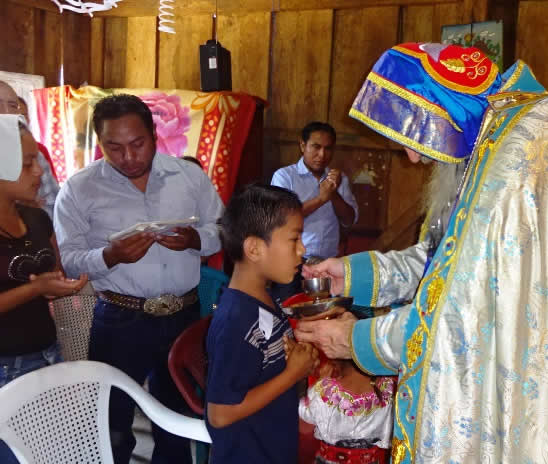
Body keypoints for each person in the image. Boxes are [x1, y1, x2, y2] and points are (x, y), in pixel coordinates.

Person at [296, 43, 548, 463]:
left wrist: (357, 340)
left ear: (448, 112)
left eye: (414, 137)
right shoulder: (495, 137)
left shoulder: (516, 165)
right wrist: (351, 275)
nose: (412, 156)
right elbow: (444, 261)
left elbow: (457, 317)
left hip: (537, 390)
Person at [53, 94, 224, 463]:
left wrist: (195, 239)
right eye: (114, 147)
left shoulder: (189, 177)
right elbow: (69, 262)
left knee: (177, 423)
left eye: (137, 144)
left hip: (182, 315)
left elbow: (222, 230)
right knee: (111, 426)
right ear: (100, 142)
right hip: (119, 319)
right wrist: (110, 256)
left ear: (154, 135)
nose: (128, 157)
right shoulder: (79, 188)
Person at [206, 183, 319, 463]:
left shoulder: (264, 299)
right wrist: (291, 374)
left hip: (274, 445)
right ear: (254, 248)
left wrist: (298, 359)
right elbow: (220, 414)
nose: (302, 249)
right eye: (294, 239)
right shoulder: (235, 322)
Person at [0, 115, 87, 463]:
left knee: (56, 452)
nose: (39, 171)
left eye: (36, 160)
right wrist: (36, 290)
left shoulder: (36, 217)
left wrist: (57, 285)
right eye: (27, 164)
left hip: (48, 352)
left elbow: (50, 272)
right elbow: (34, 286)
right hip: (5, 365)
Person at [271, 122, 358, 261]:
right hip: (292, 260)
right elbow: (282, 217)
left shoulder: (338, 179)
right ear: (303, 146)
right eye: (316, 147)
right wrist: (321, 199)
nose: (322, 155)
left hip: (328, 261)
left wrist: (333, 193)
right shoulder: (284, 176)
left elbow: (349, 220)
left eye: (328, 148)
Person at [299, 353, 395, 463]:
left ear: (336, 361)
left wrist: (320, 380)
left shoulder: (324, 390)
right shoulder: (388, 389)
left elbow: (304, 426)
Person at [0, 82, 59, 220]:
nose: (7, 113)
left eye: (13, 106)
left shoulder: (36, 155)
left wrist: (32, 214)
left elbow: (55, 207)